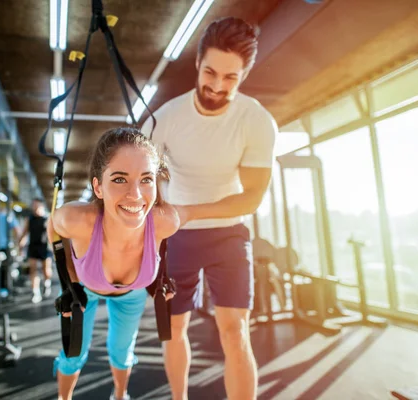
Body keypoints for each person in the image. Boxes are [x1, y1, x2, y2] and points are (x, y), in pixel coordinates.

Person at [142, 17, 277, 400]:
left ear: (245, 74)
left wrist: (187, 212)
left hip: (228, 232)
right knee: (173, 327)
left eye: (231, 78)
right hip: (178, 236)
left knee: (235, 330)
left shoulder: (257, 122)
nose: (217, 86)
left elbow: (251, 198)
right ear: (198, 62)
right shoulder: (165, 118)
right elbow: (140, 177)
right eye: (210, 72)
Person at [48, 127, 224, 400]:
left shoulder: (165, 222)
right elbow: (54, 229)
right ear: (98, 186)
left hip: (131, 296)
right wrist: (69, 282)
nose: (136, 195)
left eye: (146, 179)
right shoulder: (77, 220)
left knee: (122, 350)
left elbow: (205, 208)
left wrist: (249, 198)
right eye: (119, 179)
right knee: (74, 352)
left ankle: (120, 396)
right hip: (86, 290)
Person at [19, 198, 53, 303]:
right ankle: (36, 292)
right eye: (33, 206)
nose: (35, 208)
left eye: (37, 205)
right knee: (33, 269)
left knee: (45, 270)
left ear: (41, 206)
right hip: (33, 246)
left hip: (45, 247)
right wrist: (20, 245)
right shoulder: (29, 219)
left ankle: (47, 283)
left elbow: (52, 234)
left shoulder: (47, 219)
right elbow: (24, 233)